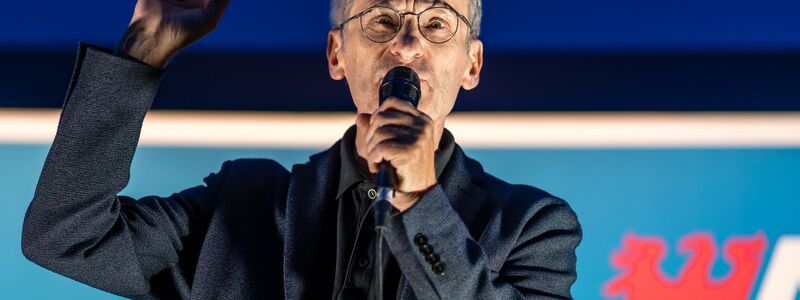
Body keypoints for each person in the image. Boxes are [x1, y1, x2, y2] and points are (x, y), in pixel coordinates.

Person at [21, 0, 582, 298]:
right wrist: (144, 46)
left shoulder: (532, 227)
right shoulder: (239, 206)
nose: (408, 45)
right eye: (381, 21)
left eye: (437, 24)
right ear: (337, 55)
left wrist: (421, 202)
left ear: (472, 64)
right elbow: (67, 236)